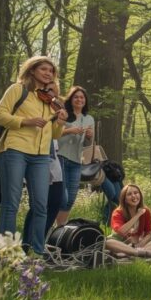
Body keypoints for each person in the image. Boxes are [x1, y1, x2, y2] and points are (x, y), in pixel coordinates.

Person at [0, 56, 68, 254]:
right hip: (15, 150)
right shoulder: (17, 89)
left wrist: (60, 122)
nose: (48, 73)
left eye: (51, 71)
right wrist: (25, 121)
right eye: (44, 69)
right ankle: (6, 254)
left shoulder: (50, 100)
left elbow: (54, 135)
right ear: (32, 70)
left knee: (41, 205)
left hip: (41, 156)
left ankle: (36, 253)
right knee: (11, 203)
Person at [56, 86, 95, 225]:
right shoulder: (63, 114)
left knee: (71, 199)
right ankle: (53, 227)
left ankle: (60, 229)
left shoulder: (89, 119)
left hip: (76, 161)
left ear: (85, 101)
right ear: (71, 99)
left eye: (82, 97)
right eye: (76, 97)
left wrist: (89, 136)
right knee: (63, 197)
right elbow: (52, 134)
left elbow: (88, 144)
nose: (79, 99)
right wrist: (69, 130)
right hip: (60, 157)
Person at [105, 184, 151, 258]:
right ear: (124, 198)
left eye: (136, 193)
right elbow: (121, 231)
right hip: (121, 243)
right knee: (108, 242)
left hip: (138, 245)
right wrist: (137, 215)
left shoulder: (146, 211)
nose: (134, 196)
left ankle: (134, 253)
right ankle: (138, 253)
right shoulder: (117, 212)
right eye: (129, 194)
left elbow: (149, 233)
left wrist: (140, 244)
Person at [23, 141, 65, 242]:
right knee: (38, 206)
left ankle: (39, 241)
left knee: (56, 202)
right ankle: (27, 244)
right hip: (36, 156)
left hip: (54, 158)